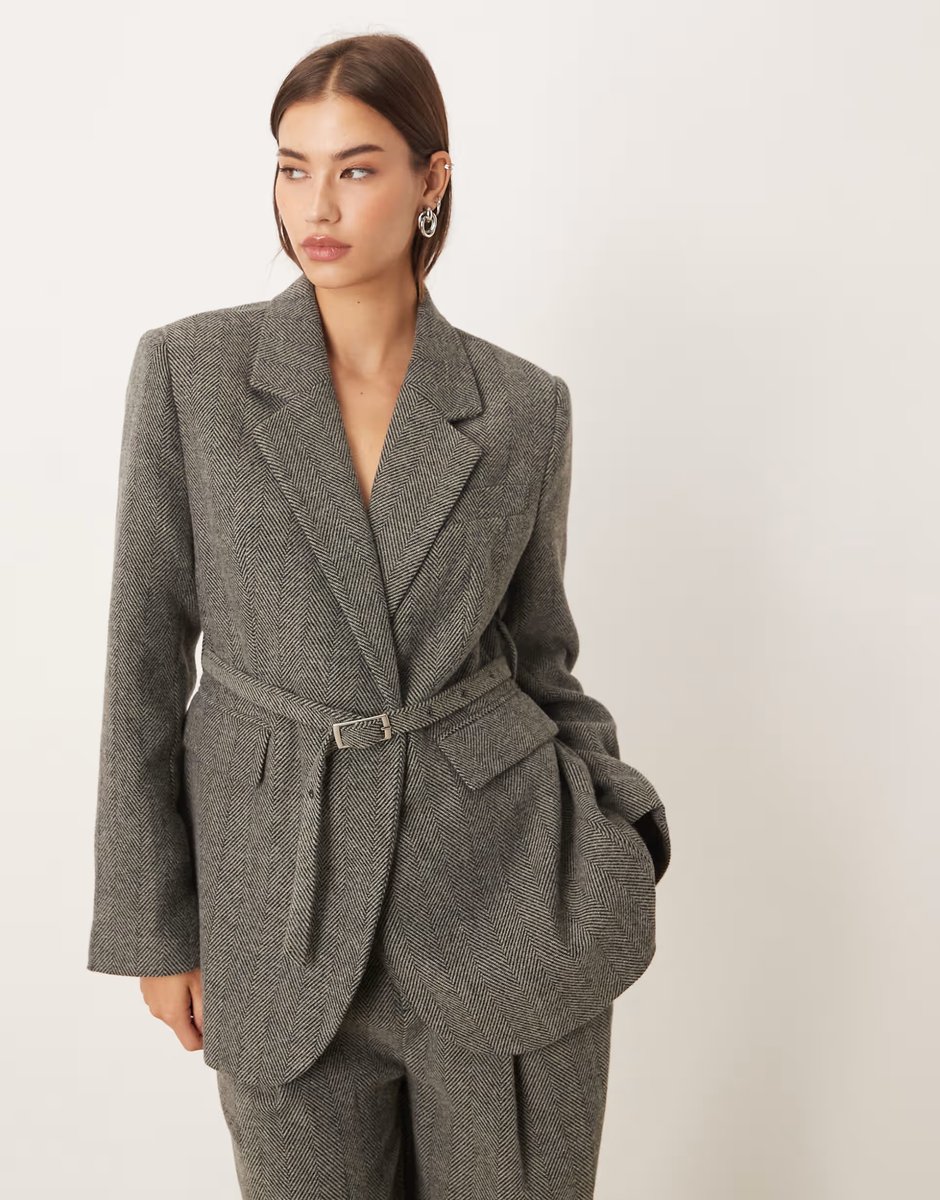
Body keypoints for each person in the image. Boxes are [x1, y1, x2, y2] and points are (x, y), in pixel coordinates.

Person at [87, 32, 672, 1200]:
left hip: (502, 905)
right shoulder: (193, 374)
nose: (316, 206)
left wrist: (621, 829)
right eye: (292, 168)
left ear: (429, 181)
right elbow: (143, 657)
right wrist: (154, 925)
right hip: (277, 907)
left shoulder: (521, 407)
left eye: (355, 169)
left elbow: (540, 660)